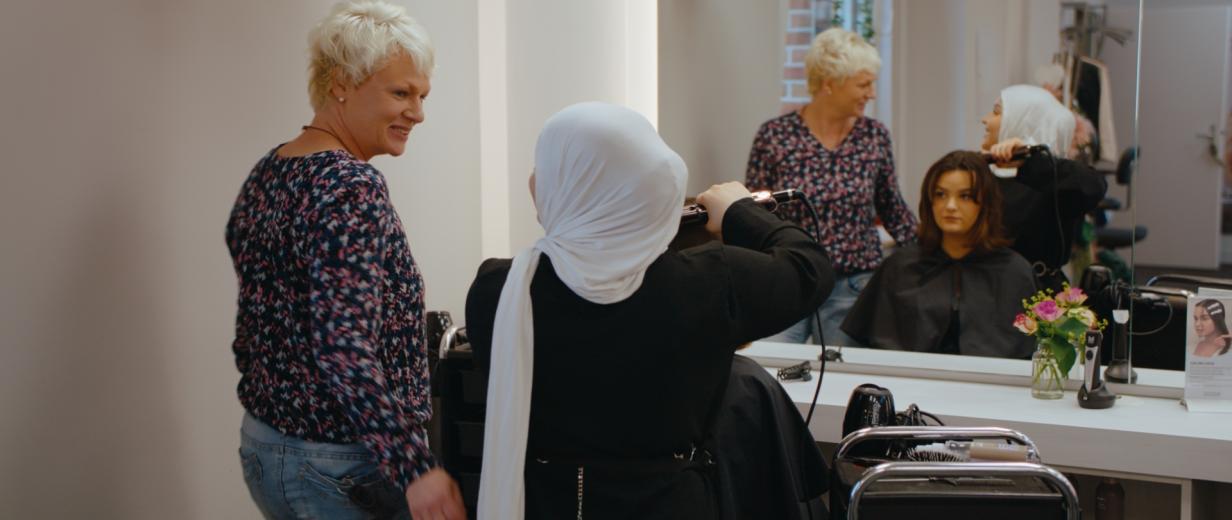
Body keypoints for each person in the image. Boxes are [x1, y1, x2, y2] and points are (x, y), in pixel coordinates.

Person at [464, 102, 834, 520]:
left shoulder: (498, 291)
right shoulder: (710, 283)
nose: (533, 181)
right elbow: (809, 267)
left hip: (554, 503)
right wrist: (739, 211)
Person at [225, 2, 464, 519]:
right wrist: (415, 468)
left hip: (268, 447)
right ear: (340, 84)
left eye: (421, 95)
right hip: (340, 468)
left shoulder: (273, 168)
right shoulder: (351, 186)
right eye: (400, 93)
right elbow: (342, 345)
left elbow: (265, 324)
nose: (418, 112)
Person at [746, 27, 917, 347]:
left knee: (845, 382)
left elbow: (892, 207)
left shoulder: (874, 136)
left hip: (853, 287)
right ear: (830, 84)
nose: (872, 94)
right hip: (787, 280)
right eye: (864, 84)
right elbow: (754, 212)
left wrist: (930, 255)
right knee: (769, 368)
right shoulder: (775, 136)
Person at [842, 151, 1036, 358]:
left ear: (986, 204)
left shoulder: (1014, 272)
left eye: (965, 196)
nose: (950, 206)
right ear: (929, 201)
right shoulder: (900, 266)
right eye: (940, 194)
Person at [983, 84, 1107, 293]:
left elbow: (1093, 186)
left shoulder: (1051, 181)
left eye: (996, 112)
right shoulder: (982, 174)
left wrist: (1029, 159)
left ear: (1023, 122)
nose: (985, 120)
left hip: (1036, 298)